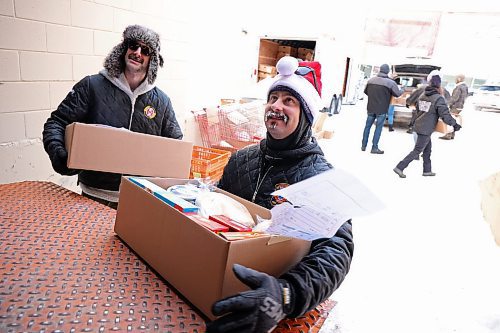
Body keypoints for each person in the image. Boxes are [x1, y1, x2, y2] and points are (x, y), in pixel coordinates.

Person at [206, 56, 354, 333]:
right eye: (273, 97)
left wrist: (286, 294)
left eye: (289, 100)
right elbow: (215, 207)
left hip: (273, 301)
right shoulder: (240, 160)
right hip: (223, 284)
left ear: (306, 116)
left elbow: (336, 252)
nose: (276, 105)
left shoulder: (322, 178)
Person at [42, 25, 183, 208]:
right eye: (133, 45)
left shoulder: (161, 102)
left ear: (152, 59)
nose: (137, 52)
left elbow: (175, 145)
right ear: (124, 48)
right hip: (94, 196)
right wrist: (60, 154)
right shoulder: (92, 86)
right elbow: (57, 122)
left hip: (140, 199)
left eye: (145, 50)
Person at [393, 70, 461, 178]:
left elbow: (418, 109)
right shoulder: (439, 98)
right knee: (417, 150)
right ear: (439, 85)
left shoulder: (423, 95)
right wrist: (455, 125)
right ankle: (400, 167)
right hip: (425, 128)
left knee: (427, 149)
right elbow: (445, 115)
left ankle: (427, 170)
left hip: (420, 125)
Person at [361, 64, 404, 154]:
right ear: (388, 71)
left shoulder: (371, 80)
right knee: (378, 128)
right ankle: (374, 148)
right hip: (382, 109)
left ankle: (363, 146)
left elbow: (366, 92)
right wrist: (402, 90)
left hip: (370, 108)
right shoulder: (391, 83)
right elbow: (397, 94)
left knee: (367, 127)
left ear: (380, 70)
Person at [440, 74, 468, 140]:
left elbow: (454, 98)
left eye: (456, 78)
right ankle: (452, 135)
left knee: (450, 119)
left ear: (459, 79)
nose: (455, 80)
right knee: (454, 119)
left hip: (455, 106)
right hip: (460, 106)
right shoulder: (465, 87)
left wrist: (448, 104)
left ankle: (448, 135)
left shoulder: (459, 87)